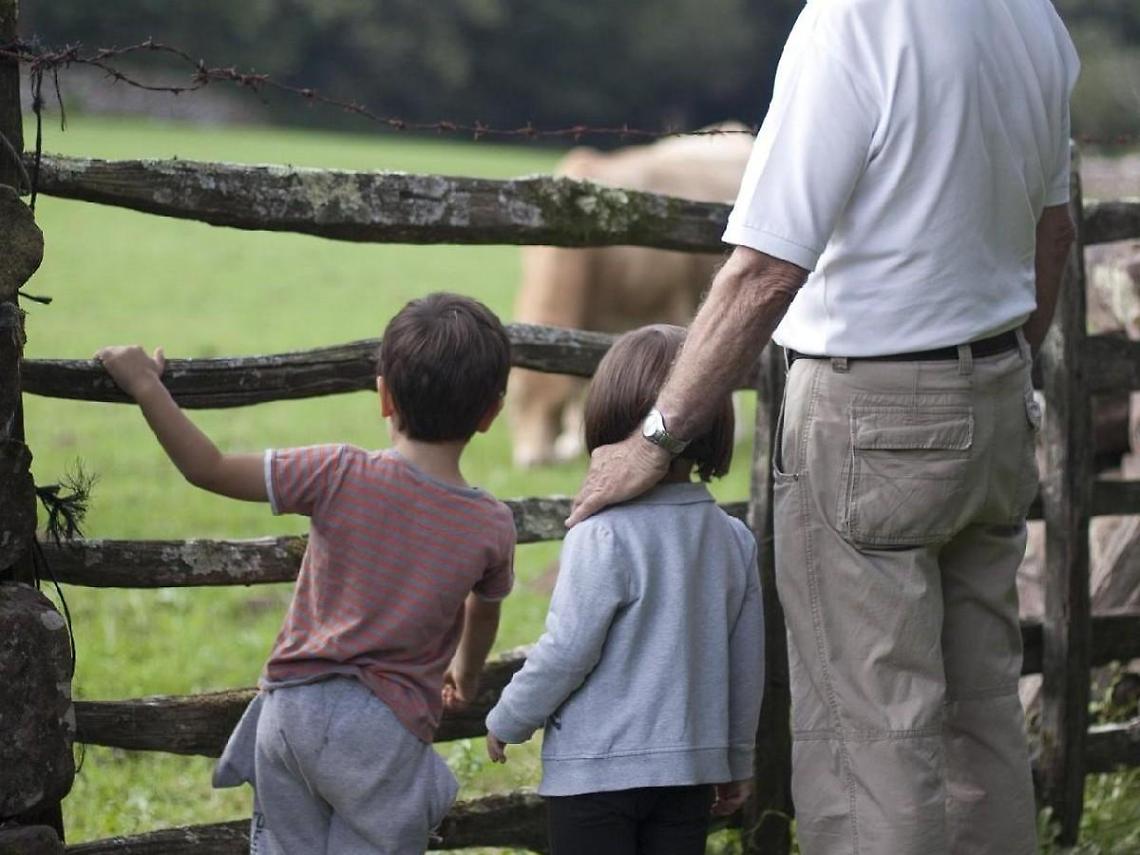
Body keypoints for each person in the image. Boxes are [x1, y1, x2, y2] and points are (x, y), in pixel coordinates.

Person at [566, 2, 1079, 853]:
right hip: (997, 395)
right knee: (982, 713)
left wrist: (655, 436)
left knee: (871, 734)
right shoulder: (1033, 18)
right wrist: (1001, 371)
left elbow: (765, 270)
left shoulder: (853, 20)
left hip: (871, 411)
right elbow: (1052, 235)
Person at [95, 292, 518, 855]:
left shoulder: (337, 471)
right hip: (381, 734)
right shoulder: (490, 524)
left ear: (384, 395)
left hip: (289, 710)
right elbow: (483, 613)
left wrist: (146, 386)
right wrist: (464, 677)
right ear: (491, 412)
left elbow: (208, 468)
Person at [485, 324, 765, 855]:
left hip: (594, 778)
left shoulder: (602, 533)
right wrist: (736, 759)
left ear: (608, 416)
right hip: (687, 775)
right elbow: (745, 666)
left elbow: (568, 649)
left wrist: (510, 717)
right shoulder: (732, 538)